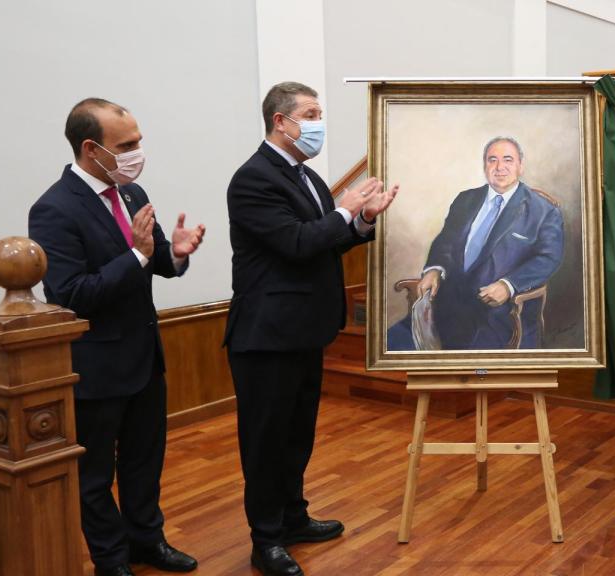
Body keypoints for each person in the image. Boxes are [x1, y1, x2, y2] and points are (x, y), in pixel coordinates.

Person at [224, 81, 397, 576]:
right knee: (265, 442)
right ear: (281, 121)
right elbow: (297, 243)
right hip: (266, 336)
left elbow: (327, 243)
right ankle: (266, 540)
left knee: (297, 435)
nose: (319, 122)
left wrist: (360, 219)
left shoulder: (308, 178)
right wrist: (345, 209)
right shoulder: (253, 179)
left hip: (305, 330)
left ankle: (294, 518)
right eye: (311, 112)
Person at [28, 98, 205, 576]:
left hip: (146, 357)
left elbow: (157, 260)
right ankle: (111, 559)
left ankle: (147, 541)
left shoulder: (131, 191)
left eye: (138, 142)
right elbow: (70, 294)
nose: (137, 152)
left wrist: (179, 254)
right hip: (97, 367)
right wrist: (137, 256)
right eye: (126, 145)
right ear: (91, 148)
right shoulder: (53, 208)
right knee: (95, 476)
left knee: (145, 462)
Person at [387, 136, 564, 351]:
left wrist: (509, 285)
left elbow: (548, 258)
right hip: (445, 306)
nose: (500, 167)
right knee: (391, 344)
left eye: (508, 160)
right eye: (492, 160)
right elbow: (445, 241)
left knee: (465, 371)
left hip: (498, 314)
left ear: (520, 165)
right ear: (484, 165)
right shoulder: (465, 200)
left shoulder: (544, 211)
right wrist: (435, 269)